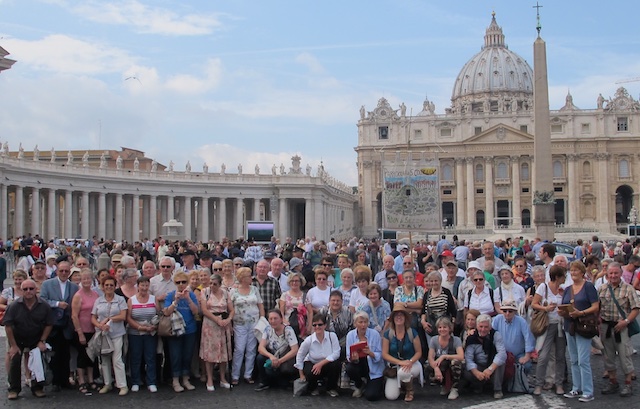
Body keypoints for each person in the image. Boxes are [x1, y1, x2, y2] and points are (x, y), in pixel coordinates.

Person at [4, 279, 54, 400]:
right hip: (18, 338)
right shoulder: (14, 306)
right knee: (15, 360)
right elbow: (8, 326)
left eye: (31, 288)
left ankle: (37, 388)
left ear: (36, 290)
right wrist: (13, 345)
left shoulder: (44, 305)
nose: (28, 291)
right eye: (25, 289)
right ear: (21, 291)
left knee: (38, 360)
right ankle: (14, 389)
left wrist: (42, 341)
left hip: (36, 338)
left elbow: (49, 324)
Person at [559, 260, 599, 402]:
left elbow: (595, 306)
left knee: (583, 360)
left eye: (576, 270)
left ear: (582, 272)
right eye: (572, 270)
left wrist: (581, 313)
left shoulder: (588, 287)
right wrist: (563, 311)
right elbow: (564, 305)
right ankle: (576, 388)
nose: (573, 273)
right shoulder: (568, 289)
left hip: (583, 325)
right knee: (574, 359)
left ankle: (588, 390)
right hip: (570, 325)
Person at [598, 261, 640, 397]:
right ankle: (613, 382)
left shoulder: (628, 289)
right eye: (611, 273)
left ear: (621, 274)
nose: (613, 275)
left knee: (624, 356)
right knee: (608, 356)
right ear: (607, 274)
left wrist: (626, 321)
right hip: (605, 326)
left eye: (616, 273)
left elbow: (635, 308)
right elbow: (597, 306)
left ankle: (628, 384)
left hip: (621, 327)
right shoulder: (602, 288)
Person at [39, 260, 79, 390]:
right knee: (54, 354)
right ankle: (55, 381)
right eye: (61, 271)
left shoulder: (74, 287)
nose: (63, 273)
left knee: (66, 354)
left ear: (69, 272)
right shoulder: (47, 284)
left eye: (66, 271)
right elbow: (43, 300)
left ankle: (65, 380)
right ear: (57, 271)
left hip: (67, 324)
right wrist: (57, 304)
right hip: (53, 324)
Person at [532, 265, 567, 396]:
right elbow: (534, 303)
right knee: (543, 355)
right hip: (547, 325)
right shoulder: (543, 287)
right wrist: (546, 309)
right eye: (564, 276)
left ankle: (559, 383)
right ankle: (539, 384)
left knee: (560, 356)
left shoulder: (564, 289)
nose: (565, 278)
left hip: (561, 325)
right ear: (558, 277)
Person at [91, 276, 129, 396]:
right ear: (102, 287)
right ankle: (107, 384)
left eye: (111, 285)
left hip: (117, 333)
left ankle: (122, 385)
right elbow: (93, 317)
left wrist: (109, 319)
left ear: (115, 286)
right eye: (106, 285)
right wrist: (99, 325)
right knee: (104, 360)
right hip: (103, 334)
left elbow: (123, 316)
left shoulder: (120, 300)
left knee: (117, 359)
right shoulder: (98, 300)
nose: (108, 287)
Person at [163, 271, 200, 392]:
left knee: (187, 355)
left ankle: (185, 378)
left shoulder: (192, 295)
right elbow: (167, 312)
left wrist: (188, 299)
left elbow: (196, 312)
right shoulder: (170, 295)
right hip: (175, 329)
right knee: (175, 355)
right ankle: (175, 380)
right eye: (178, 282)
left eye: (184, 282)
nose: (181, 285)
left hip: (190, 329)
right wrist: (175, 301)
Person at [230, 267, 264, 385]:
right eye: (249, 276)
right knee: (239, 349)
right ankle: (235, 374)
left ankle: (248, 374)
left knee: (251, 349)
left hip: (254, 323)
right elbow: (230, 307)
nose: (251, 278)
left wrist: (262, 320)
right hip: (239, 323)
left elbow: (260, 305)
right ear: (243, 278)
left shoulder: (254, 289)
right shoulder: (233, 291)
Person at [199, 273, 234, 391]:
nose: (212, 286)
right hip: (210, 324)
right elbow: (204, 309)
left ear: (219, 284)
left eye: (215, 284)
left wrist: (228, 319)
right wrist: (216, 320)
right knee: (210, 352)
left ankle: (223, 378)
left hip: (223, 324)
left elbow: (232, 309)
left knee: (223, 352)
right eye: (210, 283)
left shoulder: (225, 293)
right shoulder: (205, 292)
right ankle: (209, 379)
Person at [381, 304, 423, 401]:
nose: (399, 317)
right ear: (393, 318)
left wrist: (410, 361)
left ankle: (409, 390)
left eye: (401, 315)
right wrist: (400, 362)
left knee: (403, 373)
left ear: (405, 318)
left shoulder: (412, 332)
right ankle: (403, 384)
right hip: (395, 366)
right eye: (396, 315)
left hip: (412, 364)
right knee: (391, 396)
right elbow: (385, 354)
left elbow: (419, 352)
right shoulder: (388, 334)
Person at [295, 313, 341, 397]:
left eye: (320, 324)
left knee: (336, 364)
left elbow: (336, 353)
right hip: (313, 363)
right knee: (310, 371)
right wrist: (301, 374)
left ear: (325, 325)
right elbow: (300, 356)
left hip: (327, 364)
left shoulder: (332, 336)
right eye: (314, 325)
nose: (317, 327)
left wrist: (320, 364)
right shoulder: (308, 340)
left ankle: (331, 388)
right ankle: (313, 388)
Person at [126, 276, 159, 393]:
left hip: (150, 333)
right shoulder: (132, 300)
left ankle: (151, 381)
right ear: (138, 286)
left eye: (146, 285)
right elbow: (128, 317)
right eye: (142, 285)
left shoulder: (153, 299)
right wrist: (139, 327)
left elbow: (158, 315)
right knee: (135, 358)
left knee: (150, 357)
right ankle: (136, 381)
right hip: (135, 333)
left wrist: (154, 326)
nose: (144, 288)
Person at [463, 314, 507, 399]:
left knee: (501, 362)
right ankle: (478, 385)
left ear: (490, 327)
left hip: (492, 365)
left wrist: (490, 369)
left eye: (486, 327)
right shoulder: (471, 338)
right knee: (466, 369)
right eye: (481, 326)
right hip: (479, 365)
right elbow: (468, 358)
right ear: (476, 326)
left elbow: (502, 354)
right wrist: (476, 372)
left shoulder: (496, 335)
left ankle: (497, 389)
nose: (483, 329)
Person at [70, 268, 99, 394]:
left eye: (88, 278)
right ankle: (81, 380)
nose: (86, 281)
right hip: (81, 330)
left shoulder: (95, 294)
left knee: (91, 356)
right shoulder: (78, 295)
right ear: (80, 280)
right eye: (84, 279)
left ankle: (91, 379)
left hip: (93, 330)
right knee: (82, 356)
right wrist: (80, 332)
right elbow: (74, 316)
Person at [255, 309, 299, 391]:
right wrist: (271, 357)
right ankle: (264, 382)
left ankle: (283, 380)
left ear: (281, 319)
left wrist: (280, 361)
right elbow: (260, 348)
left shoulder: (288, 330)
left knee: (283, 377)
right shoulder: (267, 329)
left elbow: (295, 350)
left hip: (285, 357)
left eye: (275, 318)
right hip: (274, 355)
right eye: (271, 319)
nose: (273, 321)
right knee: (260, 358)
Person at [345, 311, 385, 400]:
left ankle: (377, 383)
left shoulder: (375, 334)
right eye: (360, 322)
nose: (363, 325)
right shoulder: (350, 335)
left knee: (371, 396)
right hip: (358, 364)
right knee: (349, 368)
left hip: (374, 368)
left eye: (365, 322)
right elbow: (348, 355)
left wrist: (370, 353)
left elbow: (380, 355)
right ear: (355, 324)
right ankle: (360, 384)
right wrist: (352, 358)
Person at [491, 300, 535, 372]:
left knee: (526, 366)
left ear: (515, 311)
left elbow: (528, 338)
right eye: (505, 311)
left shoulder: (521, 321)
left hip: (518, 355)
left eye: (510, 311)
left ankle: (521, 382)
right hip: (500, 354)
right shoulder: (497, 319)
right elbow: (491, 334)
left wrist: (527, 356)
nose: (507, 313)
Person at [427, 317, 464, 400]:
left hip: (451, 364)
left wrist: (444, 356)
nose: (442, 329)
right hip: (441, 365)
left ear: (449, 328)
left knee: (455, 363)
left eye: (444, 327)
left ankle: (455, 388)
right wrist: (436, 368)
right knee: (428, 367)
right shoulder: (434, 340)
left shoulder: (456, 340)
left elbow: (461, 356)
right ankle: (443, 385)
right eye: (440, 327)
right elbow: (430, 357)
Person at [421, 271, 457, 340]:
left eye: (436, 281)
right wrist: (423, 322)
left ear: (440, 281)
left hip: (445, 326)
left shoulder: (446, 292)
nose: (434, 283)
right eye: (431, 281)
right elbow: (423, 311)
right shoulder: (427, 294)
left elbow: (453, 310)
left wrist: (452, 324)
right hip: (431, 326)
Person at [318, 290, 353, 359]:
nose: (335, 303)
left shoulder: (347, 312)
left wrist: (339, 344)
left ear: (342, 301)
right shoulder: (323, 311)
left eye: (338, 301)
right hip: (326, 342)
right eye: (333, 300)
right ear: (329, 301)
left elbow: (352, 329)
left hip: (343, 343)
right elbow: (318, 327)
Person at [278, 272, 307, 338]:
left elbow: (309, 311)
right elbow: (281, 311)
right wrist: (284, 321)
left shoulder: (305, 295)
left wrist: (308, 325)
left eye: (297, 281)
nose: (294, 283)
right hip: (288, 323)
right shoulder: (285, 295)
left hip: (302, 325)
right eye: (292, 281)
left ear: (301, 282)